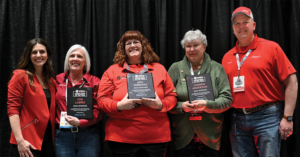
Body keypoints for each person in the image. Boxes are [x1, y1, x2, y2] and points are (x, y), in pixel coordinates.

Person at [222, 6, 298, 157]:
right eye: (237, 24)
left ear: (254, 25)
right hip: (238, 119)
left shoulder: (271, 48)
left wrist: (287, 117)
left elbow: (292, 82)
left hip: (268, 117)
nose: (241, 27)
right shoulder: (227, 57)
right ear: (232, 28)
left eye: (245, 22)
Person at [97, 30, 177, 157]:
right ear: (123, 49)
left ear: (143, 45)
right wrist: (119, 106)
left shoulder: (159, 69)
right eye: (128, 43)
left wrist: (160, 105)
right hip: (121, 137)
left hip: (156, 137)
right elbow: (101, 100)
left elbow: (172, 97)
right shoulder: (112, 71)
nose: (132, 45)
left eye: (136, 42)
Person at [168, 29, 232, 157]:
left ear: (204, 46)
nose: (192, 49)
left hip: (210, 134)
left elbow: (226, 100)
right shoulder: (175, 68)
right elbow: (166, 101)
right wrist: (182, 107)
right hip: (183, 134)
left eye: (195, 45)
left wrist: (207, 104)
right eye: (188, 46)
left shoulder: (217, 68)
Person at [7, 38, 56, 157]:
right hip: (27, 141)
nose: (38, 55)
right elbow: (12, 110)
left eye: (42, 52)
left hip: (48, 141)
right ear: (28, 55)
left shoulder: (51, 81)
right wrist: (20, 141)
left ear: (47, 55)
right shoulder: (20, 76)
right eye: (34, 52)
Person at [55, 44, 102, 157]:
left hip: (88, 135)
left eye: (79, 56)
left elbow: (99, 110)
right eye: (72, 56)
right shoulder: (57, 79)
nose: (75, 59)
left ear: (85, 62)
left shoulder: (95, 82)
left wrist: (81, 123)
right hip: (63, 136)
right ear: (68, 60)